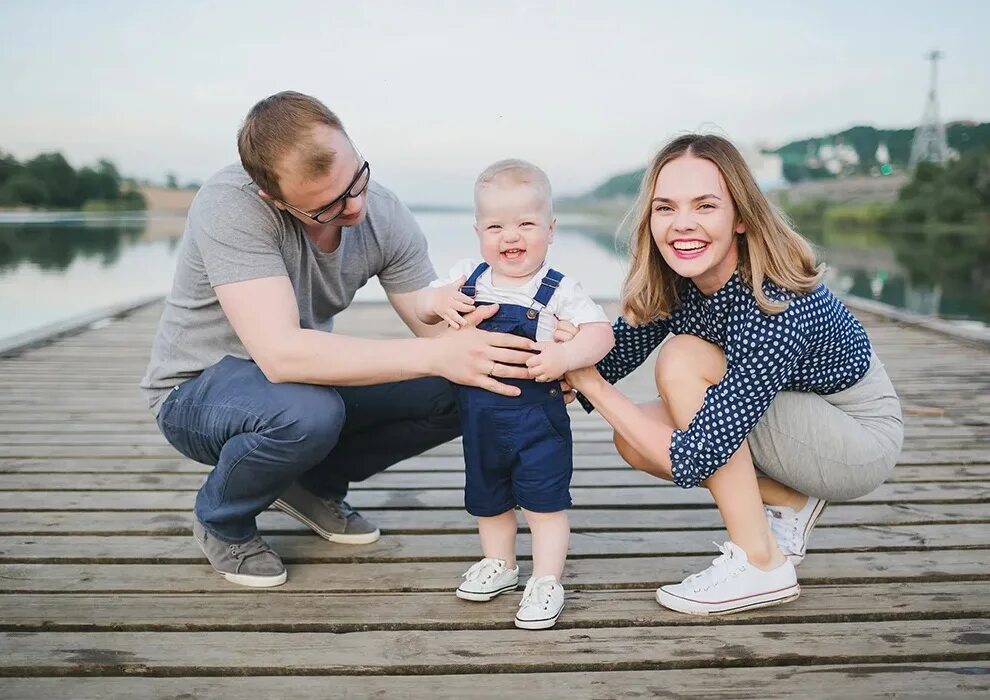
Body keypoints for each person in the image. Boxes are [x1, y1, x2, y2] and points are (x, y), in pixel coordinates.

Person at [139, 91, 539, 588]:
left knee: (466, 385)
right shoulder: (231, 205)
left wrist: (529, 360)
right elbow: (281, 354)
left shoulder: (382, 213)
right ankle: (221, 518)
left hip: (301, 386)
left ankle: (312, 487)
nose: (354, 207)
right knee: (306, 414)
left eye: (357, 181)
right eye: (326, 207)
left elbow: (438, 331)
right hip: (196, 392)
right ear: (274, 198)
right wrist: (437, 353)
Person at [561, 134, 903, 615]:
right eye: (665, 208)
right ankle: (789, 501)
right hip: (793, 411)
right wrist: (552, 347)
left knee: (682, 360)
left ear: (740, 216)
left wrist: (588, 384)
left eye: (705, 206)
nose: (682, 225)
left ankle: (762, 564)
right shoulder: (678, 280)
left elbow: (695, 457)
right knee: (632, 437)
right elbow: (610, 360)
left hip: (856, 434)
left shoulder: (775, 300)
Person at [416, 160, 613, 629]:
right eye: (496, 225)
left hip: (537, 420)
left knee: (545, 506)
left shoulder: (559, 289)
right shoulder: (468, 275)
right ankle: (500, 565)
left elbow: (600, 334)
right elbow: (424, 306)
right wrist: (437, 301)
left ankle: (546, 578)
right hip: (480, 419)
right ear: (478, 230)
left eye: (526, 223)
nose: (511, 236)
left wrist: (566, 359)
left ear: (551, 228)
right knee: (490, 501)